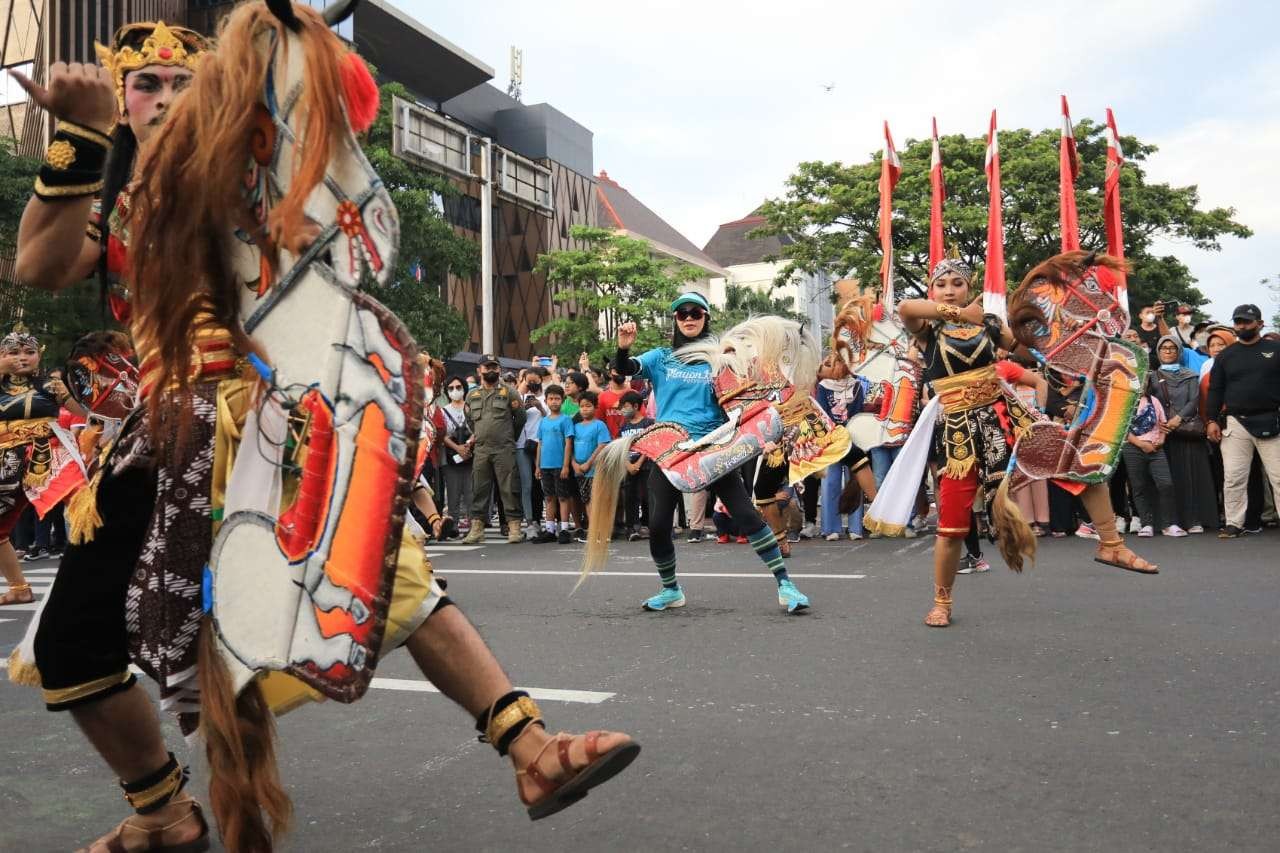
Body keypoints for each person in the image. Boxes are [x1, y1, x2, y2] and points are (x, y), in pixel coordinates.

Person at [10, 13, 637, 848]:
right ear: (122, 103)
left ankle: (534, 747)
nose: (164, 97)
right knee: (70, 648)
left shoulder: (242, 169)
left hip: (264, 420)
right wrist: (77, 136)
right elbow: (40, 266)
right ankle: (161, 808)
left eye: (185, 83)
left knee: (395, 580)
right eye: (146, 85)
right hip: (155, 442)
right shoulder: (111, 200)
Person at [886, 255, 1155, 628]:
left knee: (1074, 461)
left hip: (1005, 416)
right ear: (934, 290)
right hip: (959, 431)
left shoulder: (991, 327)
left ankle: (1111, 544)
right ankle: (942, 600)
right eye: (942, 284)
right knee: (952, 525)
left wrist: (1065, 333)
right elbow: (905, 306)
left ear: (971, 287)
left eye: (958, 284)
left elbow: (1031, 351)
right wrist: (964, 315)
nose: (949, 290)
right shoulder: (927, 330)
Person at [609, 293, 811, 613]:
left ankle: (786, 585)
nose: (688, 318)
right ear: (675, 320)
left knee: (745, 514)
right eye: (682, 314)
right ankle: (670, 589)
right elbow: (623, 369)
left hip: (714, 448)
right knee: (659, 523)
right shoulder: (661, 358)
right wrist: (623, 345)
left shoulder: (720, 358)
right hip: (671, 451)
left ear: (705, 317)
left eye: (696, 313)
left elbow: (750, 393)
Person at [1206, 304, 1280, 538]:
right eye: (1238, 321)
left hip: (1272, 419)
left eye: (1247, 321)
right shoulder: (1226, 355)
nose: (1242, 325)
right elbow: (1216, 390)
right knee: (1233, 477)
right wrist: (1211, 420)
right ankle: (1234, 523)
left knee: (1278, 476)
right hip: (1236, 422)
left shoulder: (1275, 349)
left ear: (1260, 323)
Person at [0, 331, 59, 605]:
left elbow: (91, 413)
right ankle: (19, 588)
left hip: (51, 462)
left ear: (40, 355)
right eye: (13, 352)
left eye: (28, 352)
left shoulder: (53, 386)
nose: (21, 357)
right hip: (6, 465)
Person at [1152, 335, 1217, 533]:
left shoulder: (1190, 375)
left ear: (1179, 351)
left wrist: (1177, 419)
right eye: (1164, 348)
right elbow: (1148, 402)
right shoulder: (1151, 377)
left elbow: (1194, 401)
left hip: (1187, 433)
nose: (1169, 351)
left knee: (1192, 478)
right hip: (1162, 433)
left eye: (1173, 348)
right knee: (1168, 480)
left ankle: (1195, 519)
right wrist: (1162, 423)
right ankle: (1170, 521)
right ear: (1158, 352)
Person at [462, 354, 527, 544]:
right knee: (479, 489)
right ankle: (477, 529)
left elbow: (520, 419)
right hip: (481, 449)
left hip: (504, 449)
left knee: (509, 488)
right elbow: (469, 421)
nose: (491, 370)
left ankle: (514, 527)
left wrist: (508, 438)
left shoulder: (510, 392)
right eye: (487, 367)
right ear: (479, 370)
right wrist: (481, 435)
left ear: (499, 369)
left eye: (494, 367)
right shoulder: (471, 395)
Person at [1123, 374, 1178, 537]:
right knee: (1139, 487)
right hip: (1133, 448)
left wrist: (1161, 440)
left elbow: (1163, 424)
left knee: (1166, 484)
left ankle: (1169, 524)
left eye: (1143, 381)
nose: (1140, 384)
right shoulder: (1123, 403)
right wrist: (1141, 444)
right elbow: (1122, 429)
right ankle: (1146, 524)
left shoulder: (1154, 401)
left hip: (1156, 448)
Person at [533, 384, 575, 544]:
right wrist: (537, 465)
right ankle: (550, 529)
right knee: (549, 497)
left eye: (557, 399)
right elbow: (540, 444)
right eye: (551, 399)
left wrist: (566, 466)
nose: (554, 402)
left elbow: (568, 443)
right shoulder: (543, 422)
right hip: (545, 465)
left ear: (562, 401)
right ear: (546, 401)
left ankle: (564, 528)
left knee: (563, 497)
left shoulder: (566, 420)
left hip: (560, 465)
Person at [570, 391, 612, 543]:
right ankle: (593, 531)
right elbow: (570, 447)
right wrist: (574, 464)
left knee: (597, 500)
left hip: (595, 470)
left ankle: (603, 531)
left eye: (588, 406)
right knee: (587, 500)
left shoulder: (599, 425)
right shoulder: (575, 426)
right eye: (582, 406)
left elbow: (603, 445)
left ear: (595, 407)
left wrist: (589, 463)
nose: (585, 409)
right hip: (580, 471)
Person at [440, 375, 476, 535]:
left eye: (458, 387)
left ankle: (473, 526)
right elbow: (441, 434)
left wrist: (468, 445)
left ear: (464, 388)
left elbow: (478, 428)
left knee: (471, 492)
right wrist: (457, 447)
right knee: (453, 493)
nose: (455, 391)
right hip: (451, 456)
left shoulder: (471, 408)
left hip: (471, 455)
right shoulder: (443, 411)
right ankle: (453, 526)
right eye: (451, 388)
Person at [617, 390, 654, 540]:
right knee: (630, 497)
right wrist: (628, 465)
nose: (623, 410)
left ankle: (649, 525)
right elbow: (620, 448)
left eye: (625, 406)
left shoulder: (648, 423)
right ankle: (631, 527)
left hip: (646, 466)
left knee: (647, 496)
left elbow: (650, 444)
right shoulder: (623, 427)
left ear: (636, 406)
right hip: (628, 467)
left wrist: (638, 463)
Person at [515, 367, 546, 538]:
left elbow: (551, 417)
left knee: (542, 484)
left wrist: (540, 407)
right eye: (529, 381)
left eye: (535, 381)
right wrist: (522, 407)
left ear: (541, 380)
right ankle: (529, 522)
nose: (532, 384)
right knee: (526, 485)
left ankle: (547, 520)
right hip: (521, 445)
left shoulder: (546, 397)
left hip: (540, 444)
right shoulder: (518, 398)